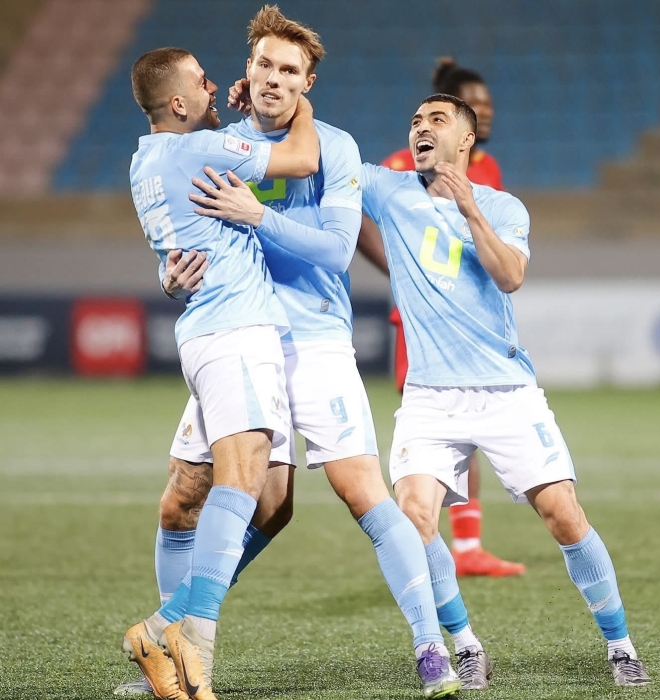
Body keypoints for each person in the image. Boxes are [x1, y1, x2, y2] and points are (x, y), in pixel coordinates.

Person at [118, 7, 465, 700]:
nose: (274, 78)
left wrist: (259, 215)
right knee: (199, 501)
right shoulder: (220, 142)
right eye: (264, 65)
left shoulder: (332, 146)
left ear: (307, 82)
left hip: (313, 341)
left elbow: (335, 252)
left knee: (362, 492)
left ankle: (432, 649)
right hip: (242, 338)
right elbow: (183, 236)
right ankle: (173, 657)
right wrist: (170, 279)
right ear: (246, 71)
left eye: (289, 70)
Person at [359, 92, 651, 688]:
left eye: (436, 120)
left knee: (564, 514)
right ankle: (465, 644)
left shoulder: (501, 205)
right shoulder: (390, 191)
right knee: (414, 518)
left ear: (466, 140)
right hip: (429, 396)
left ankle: (620, 646)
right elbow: (324, 153)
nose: (420, 127)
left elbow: (510, 275)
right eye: (415, 120)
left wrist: (469, 208)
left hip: (506, 391)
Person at [123, 44, 323, 700]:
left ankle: (165, 633)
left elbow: (180, 244)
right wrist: (301, 96)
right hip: (234, 335)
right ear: (178, 102)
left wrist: (169, 277)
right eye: (203, 81)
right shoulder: (195, 151)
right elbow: (302, 158)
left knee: (268, 499)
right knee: (240, 483)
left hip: (220, 332)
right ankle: (186, 652)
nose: (217, 86)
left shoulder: (146, 159)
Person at [361, 58, 524, 578]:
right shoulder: (405, 165)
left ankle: (468, 545)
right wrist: (399, 266)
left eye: (489, 105)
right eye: (476, 104)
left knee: (472, 425)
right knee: (439, 423)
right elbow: (365, 214)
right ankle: (438, 542)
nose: (487, 113)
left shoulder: (488, 171)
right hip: (423, 322)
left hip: (472, 326)